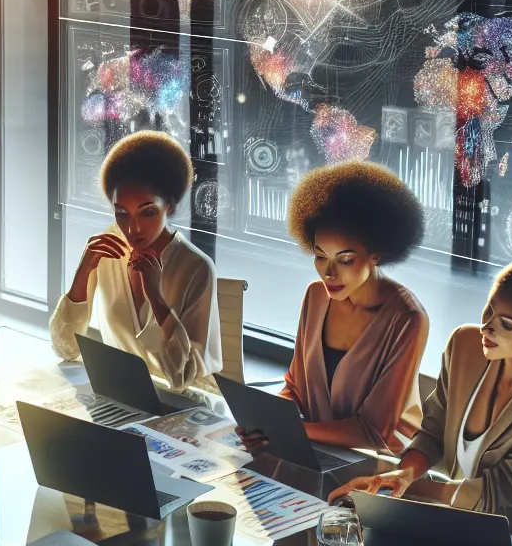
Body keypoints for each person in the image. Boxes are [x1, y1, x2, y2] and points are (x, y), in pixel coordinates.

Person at [328, 255, 512, 535]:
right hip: (452, 527)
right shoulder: (465, 345)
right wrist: (403, 474)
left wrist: (399, 487)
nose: (486, 327)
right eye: (489, 309)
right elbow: (433, 433)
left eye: (507, 324)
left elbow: (495, 495)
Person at [239, 160, 430, 456]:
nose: (329, 273)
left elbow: (374, 432)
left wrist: (291, 429)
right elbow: (296, 388)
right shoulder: (315, 296)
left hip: (380, 463)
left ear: (376, 254)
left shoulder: (408, 318)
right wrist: (266, 422)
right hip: (316, 448)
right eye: (320, 257)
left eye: (345, 260)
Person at [50, 130, 222, 393]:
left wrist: (156, 297)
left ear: (169, 206)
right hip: (123, 395)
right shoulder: (108, 249)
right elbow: (65, 348)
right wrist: (83, 272)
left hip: (187, 403)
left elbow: (182, 376)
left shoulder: (196, 268)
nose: (133, 229)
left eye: (147, 212)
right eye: (122, 213)